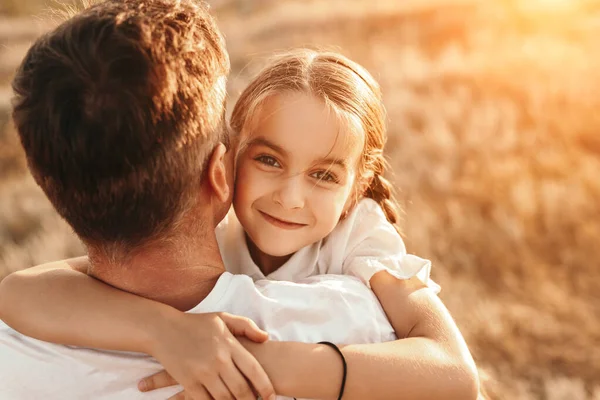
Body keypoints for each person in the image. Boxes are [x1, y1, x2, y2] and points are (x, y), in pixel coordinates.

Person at [0, 1, 479, 399]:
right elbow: (17, 290)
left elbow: (455, 372)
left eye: (323, 175)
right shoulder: (222, 232)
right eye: (268, 160)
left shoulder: (359, 242)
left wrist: (264, 362)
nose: (291, 198)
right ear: (224, 166)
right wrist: (162, 330)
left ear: (357, 185)